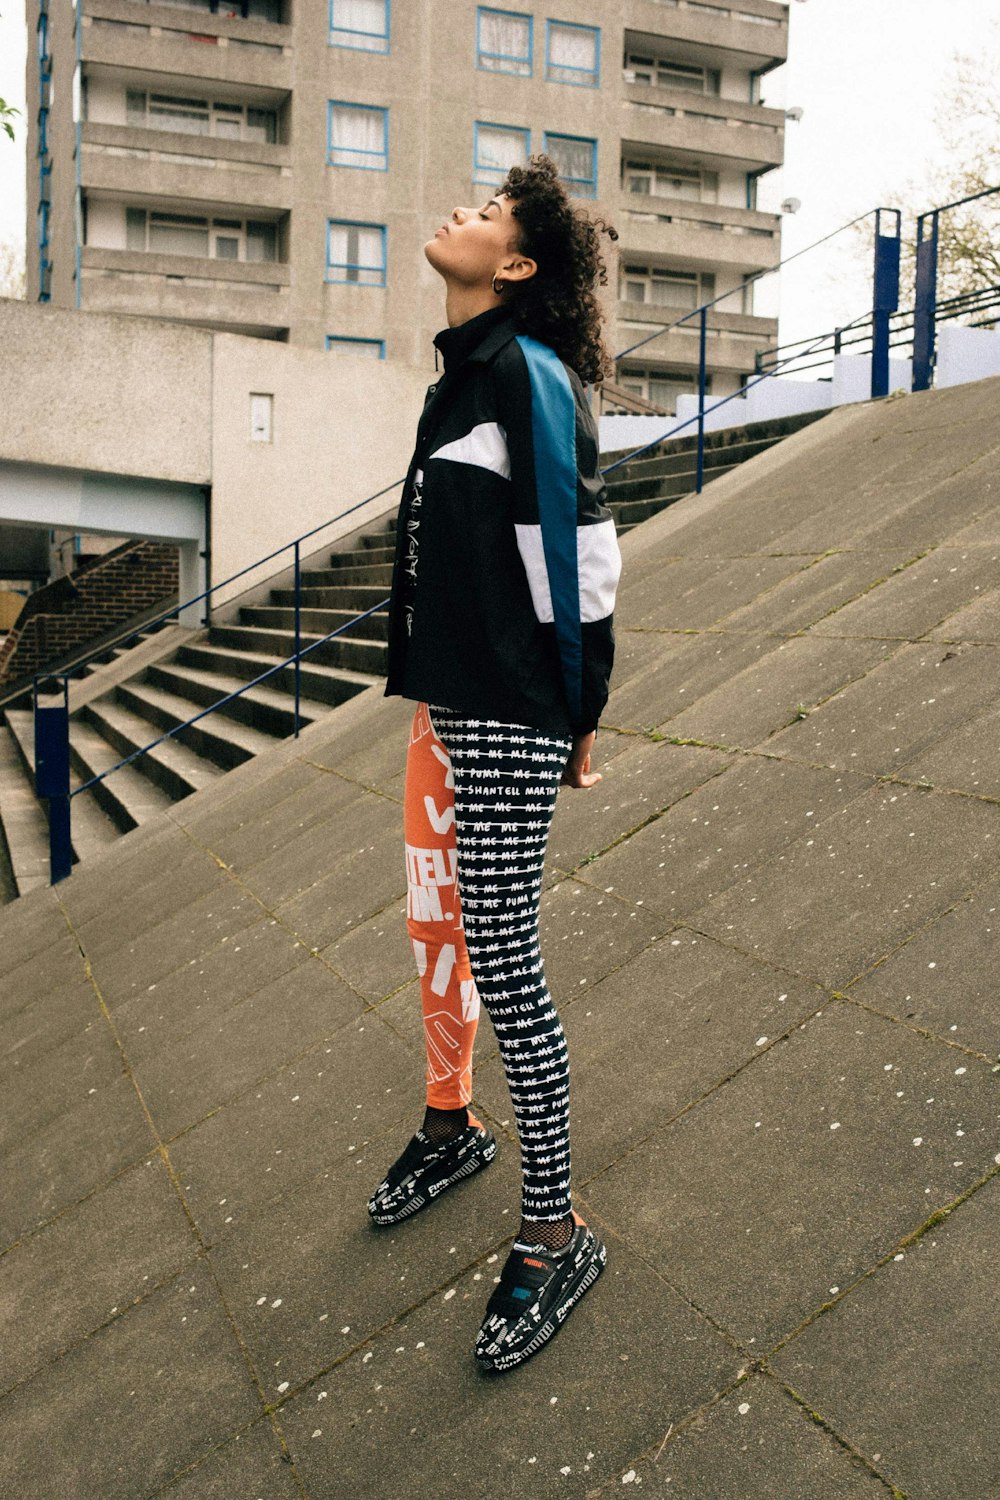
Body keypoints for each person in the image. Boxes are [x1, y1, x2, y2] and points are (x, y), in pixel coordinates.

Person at [367, 155, 622, 1374]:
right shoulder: (461, 376)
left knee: (508, 961)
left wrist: (578, 714)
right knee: (461, 929)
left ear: (515, 266)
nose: (456, 213)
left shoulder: (527, 379)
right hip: (457, 703)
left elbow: (583, 559)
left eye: (483, 214)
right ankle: (457, 1131)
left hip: (513, 708)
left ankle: (556, 1224)